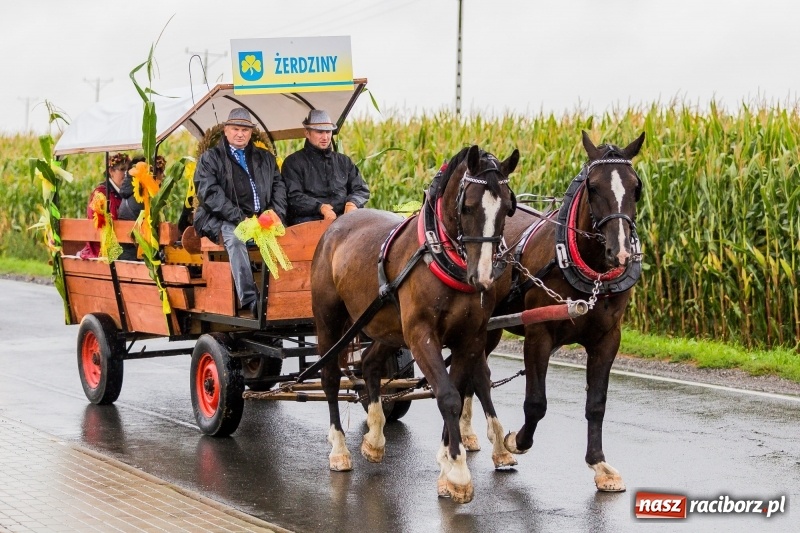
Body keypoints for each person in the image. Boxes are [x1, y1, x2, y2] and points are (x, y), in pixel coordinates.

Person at [193, 108, 288, 318]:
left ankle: (286, 295)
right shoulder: (211, 158)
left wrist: (275, 213)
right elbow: (209, 194)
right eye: (235, 129)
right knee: (236, 239)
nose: (240, 134)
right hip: (224, 218)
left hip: (262, 218)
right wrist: (240, 218)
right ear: (226, 131)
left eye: (245, 129)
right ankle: (252, 300)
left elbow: (278, 186)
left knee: (290, 238)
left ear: (250, 132)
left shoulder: (265, 158)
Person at [281, 109, 370, 225]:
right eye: (320, 132)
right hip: (307, 224)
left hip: (344, 222)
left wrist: (353, 203)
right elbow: (293, 197)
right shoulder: (293, 162)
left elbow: (361, 188)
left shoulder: (344, 161)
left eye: (328, 132)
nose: (325, 137)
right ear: (307, 133)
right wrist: (320, 208)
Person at [77, 152, 129, 259]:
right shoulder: (100, 194)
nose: (126, 174)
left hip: (122, 247)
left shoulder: (126, 194)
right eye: (122, 169)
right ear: (111, 171)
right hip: (101, 250)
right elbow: (97, 225)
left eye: (127, 170)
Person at [117, 155, 166, 260]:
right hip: (137, 257)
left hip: (125, 256)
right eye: (161, 173)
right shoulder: (143, 197)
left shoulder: (130, 191)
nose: (163, 177)